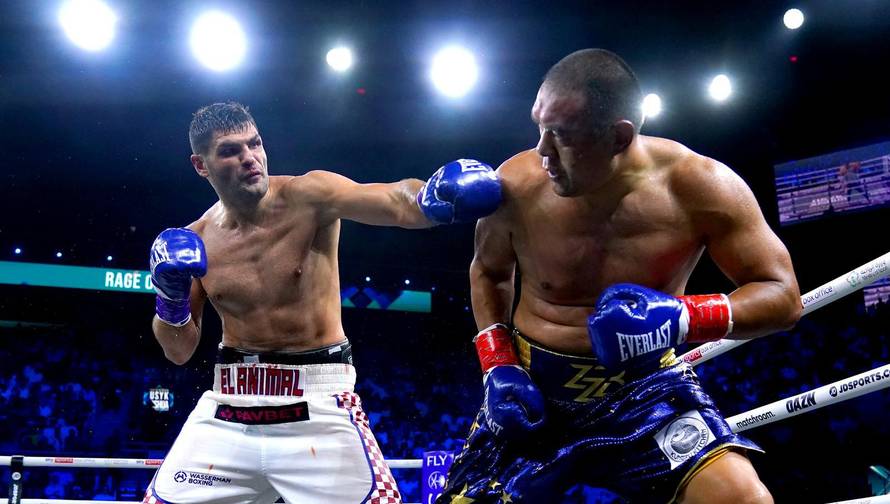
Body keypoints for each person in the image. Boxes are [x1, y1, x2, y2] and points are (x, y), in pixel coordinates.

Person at [439, 49, 802, 503]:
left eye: (562, 135)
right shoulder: (517, 183)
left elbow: (784, 297)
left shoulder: (698, 186)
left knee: (743, 498)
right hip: (534, 393)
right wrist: (498, 364)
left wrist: (682, 318)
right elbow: (488, 273)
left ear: (619, 137)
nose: (542, 150)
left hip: (644, 391)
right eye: (539, 127)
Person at [142, 102, 501, 504]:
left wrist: (430, 198)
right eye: (230, 151)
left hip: (320, 403)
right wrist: (170, 299)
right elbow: (178, 351)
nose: (250, 158)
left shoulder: (308, 196)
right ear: (200, 164)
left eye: (255, 144)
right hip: (229, 405)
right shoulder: (196, 238)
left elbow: (394, 201)